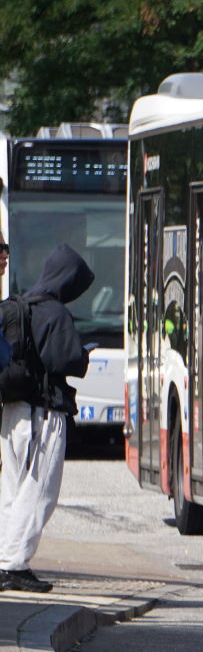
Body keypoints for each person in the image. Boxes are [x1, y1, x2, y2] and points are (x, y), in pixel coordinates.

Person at [0, 244, 95, 592]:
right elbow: (68, 361)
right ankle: (14, 565)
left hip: (12, 411)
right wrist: (84, 354)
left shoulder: (22, 304)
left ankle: (4, 559)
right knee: (40, 490)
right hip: (43, 412)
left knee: (12, 490)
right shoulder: (56, 312)